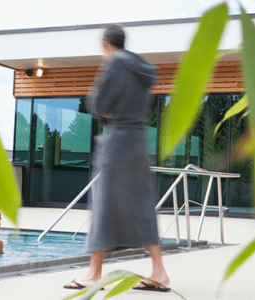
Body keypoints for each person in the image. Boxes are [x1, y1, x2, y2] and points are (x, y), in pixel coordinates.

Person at [63, 24, 170, 292]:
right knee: (142, 204)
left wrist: (98, 96)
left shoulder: (114, 63)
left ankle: (94, 273)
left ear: (105, 44)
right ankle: (159, 272)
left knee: (103, 203)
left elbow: (98, 105)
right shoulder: (140, 67)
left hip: (118, 140)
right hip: (139, 139)